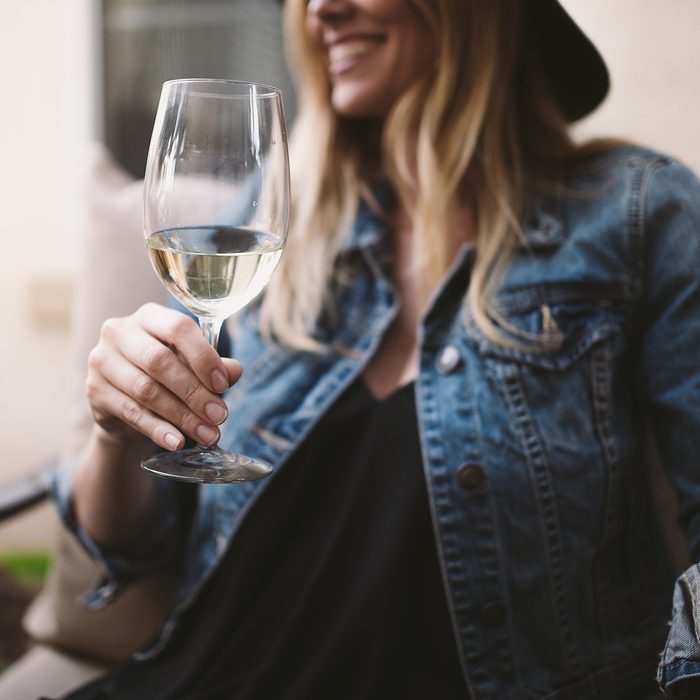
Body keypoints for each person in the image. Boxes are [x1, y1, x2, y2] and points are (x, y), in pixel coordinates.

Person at [50, 0, 700, 698]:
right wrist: (116, 430)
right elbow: (126, 544)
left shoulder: (637, 213)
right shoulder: (273, 227)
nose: (322, 9)